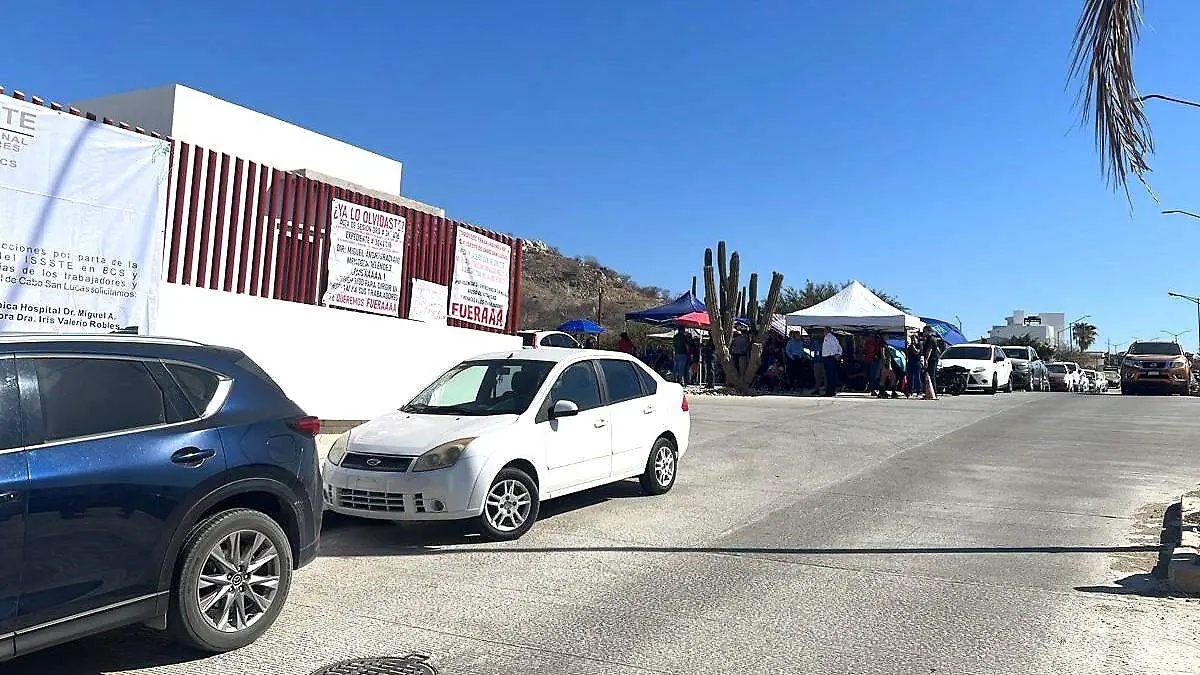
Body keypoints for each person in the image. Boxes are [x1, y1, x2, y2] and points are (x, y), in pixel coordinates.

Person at [921, 325, 942, 400]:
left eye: (924, 331)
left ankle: (934, 393)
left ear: (928, 331)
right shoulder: (931, 339)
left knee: (931, 376)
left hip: (932, 359)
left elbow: (929, 350)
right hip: (933, 359)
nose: (923, 333)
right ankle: (929, 392)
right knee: (928, 376)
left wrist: (926, 360)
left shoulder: (930, 339)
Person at [821, 326, 843, 397]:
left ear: (827, 330)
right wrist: (838, 353)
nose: (823, 332)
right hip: (829, 358)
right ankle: (830, 391)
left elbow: (835, 347)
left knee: (830, 376)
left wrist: (835, 354)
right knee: (830, 375)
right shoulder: (831, 337)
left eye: (824, 330)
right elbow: (839, 347)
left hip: (829, 358)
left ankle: (830, 392)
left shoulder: (830, 337)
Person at [863, 332, 884, 396]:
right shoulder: (868, 343)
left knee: (873, 375)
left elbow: (879, 351)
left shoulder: (876, 343)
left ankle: (873, 389)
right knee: (869, 375)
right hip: (868, 360)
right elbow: (865, 351)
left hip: (873, 360)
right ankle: (871, 388)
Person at [905, 330, 923, 398]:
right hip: (910, 363)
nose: (912, 340)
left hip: (917, 363)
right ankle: (910, 391)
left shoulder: (919, 345)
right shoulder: (910, 346)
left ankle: (919, 391)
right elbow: (907, 353)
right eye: (911, 338)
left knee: (917, 377)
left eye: (914, 338)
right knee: (910, 377)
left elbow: (916, 352)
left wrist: (913, 345)